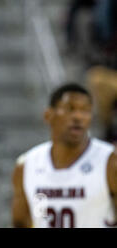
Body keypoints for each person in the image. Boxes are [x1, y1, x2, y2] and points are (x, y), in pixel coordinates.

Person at [12, 83, 117, 228]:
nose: (78, 116)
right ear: (48, 115)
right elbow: (20, 222)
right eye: (70, 109)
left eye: (85, 110)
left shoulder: (110, 161)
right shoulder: (27, 165)